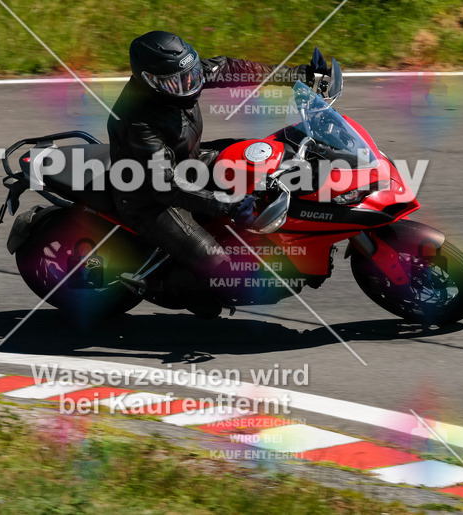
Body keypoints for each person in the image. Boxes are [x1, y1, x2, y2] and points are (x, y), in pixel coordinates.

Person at [107, 30, 327, 318]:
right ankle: (160, 286)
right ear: (150, 81)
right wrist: (226, 203)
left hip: (188, 161)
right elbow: (167, 186)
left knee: (262, 154)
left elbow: (231, 69)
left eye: (192, 75)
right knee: (218, 262)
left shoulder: (182, 73)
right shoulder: (138, 121)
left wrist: (297, 75)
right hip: (149, 197)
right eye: (179, 82)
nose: (190, 85)